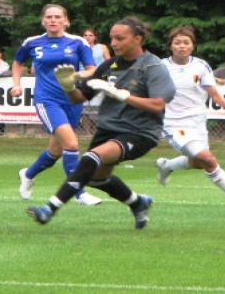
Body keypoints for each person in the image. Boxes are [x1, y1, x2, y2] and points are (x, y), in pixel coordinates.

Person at [27, 16, 176, 229]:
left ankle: (49, 209)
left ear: (138, 39)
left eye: (120, 38)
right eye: (112, 38)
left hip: (139, 132)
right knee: (96, 178)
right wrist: (69, 86)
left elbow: (157, 105)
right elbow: (80, 97)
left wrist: (122, 95)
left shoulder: (153, 66)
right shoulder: (109, 65)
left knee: (90, 158)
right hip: (108, 130)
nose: (114, 43)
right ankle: (137, 202)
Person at [155, 26, 225, 208]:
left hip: (198, 122)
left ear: (192, 46)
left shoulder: (200, 66)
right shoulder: (161, 67)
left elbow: (213, 93)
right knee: (209, 160)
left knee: (199, 163)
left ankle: (167, 165)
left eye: (186, 43)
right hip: (174, 124)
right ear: (170, 45)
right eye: (177, 43)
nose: (181, 46)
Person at [11, 4, 102, 206]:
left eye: (58, 17)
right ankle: (79, 193)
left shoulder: (77, 42)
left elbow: (91, 69)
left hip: (72, 99)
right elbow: (18, 63)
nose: (53, 20)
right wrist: (16, 84)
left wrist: (75, 76)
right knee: (71, 144)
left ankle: (28, 174)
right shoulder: (32, 42)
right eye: (49, 17)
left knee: (57, 151)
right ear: (43, 21)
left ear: (66, 21)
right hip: (47, 100)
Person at [81, 28, 111, 135]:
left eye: (90, 35)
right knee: (84, 107)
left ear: (95, 37)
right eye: (85, 35)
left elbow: (109, 62)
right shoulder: (79, 48)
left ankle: (99, 130)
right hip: (83, 80)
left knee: (96, 105)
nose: (88, 37)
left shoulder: (102, 47)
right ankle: (87, 132)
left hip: (99, 79)